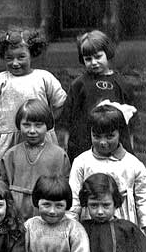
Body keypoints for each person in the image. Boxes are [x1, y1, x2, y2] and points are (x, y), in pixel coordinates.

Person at [68, 102, 146, 243]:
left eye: (109, 136)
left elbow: (144, 193)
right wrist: (71, 223)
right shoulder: (82, 162)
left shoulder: (132, 164)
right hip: (91, 226)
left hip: (124, 227)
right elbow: (73, 195)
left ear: (120, 133)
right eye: (97, 136)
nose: (103, 142)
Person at [0, 26, 66, 160]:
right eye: (9, 58)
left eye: (21, 57)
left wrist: (45, 123)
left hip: (39, 134)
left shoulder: (43, 78)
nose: (15, 63)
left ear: (31, 54)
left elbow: (59, 103)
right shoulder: (0, 80)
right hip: (9, 138)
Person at [57, 30, 135, 161]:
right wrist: (66, 144)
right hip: (85, 144)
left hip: (115, 144)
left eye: (98, 57)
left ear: (107, 54)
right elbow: (67, 118)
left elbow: (131, 120)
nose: (93, 62)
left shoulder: (122, 84)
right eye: (88, 59)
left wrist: (130, 146)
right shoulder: (79, 84)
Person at [0, 99, 71, 221]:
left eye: (38, 125)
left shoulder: (59, 155)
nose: (32, 131)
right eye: (26, 125)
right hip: (16, 215)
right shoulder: (10, 155)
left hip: (48, 214)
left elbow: (65, 188)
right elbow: (2, 188)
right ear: (19, 125)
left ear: (47, 125)